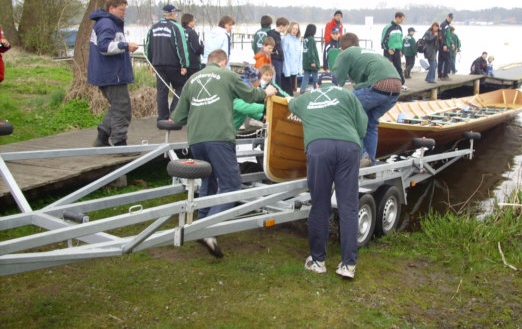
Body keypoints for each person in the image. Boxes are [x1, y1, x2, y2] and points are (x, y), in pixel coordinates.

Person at [170, 49, 277, 257]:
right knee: (232, 185)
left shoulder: (192, 79)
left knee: (209, 181)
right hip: (219, 137)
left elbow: (179, 117)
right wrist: (267, 92)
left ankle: (200, 224)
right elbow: (250, 94)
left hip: (196, 140)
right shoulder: (227, 75)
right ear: (224, 63)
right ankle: (208, 229)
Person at [288, 73, 367, 279]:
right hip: (349, 148)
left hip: (319, 148)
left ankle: (318, 262)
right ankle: (348, 265)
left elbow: (290, 105)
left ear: (316, 84)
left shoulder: (307, 97)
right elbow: (363, 127)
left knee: (320, 204)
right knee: (348, 206)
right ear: (337, 83)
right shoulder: (348, 95)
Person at [332, 33, 401, 167]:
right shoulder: (368, 52)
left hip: (378, 85)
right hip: (396, 87)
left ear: (341, 49)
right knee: (370, 123)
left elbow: (333, 82)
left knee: (349, 114)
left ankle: (363, 156)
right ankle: (371, 164)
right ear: (357, 45)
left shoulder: (345, 54)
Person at [87, 0, 138, 146]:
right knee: (122, 108)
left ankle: (102, 137)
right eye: (121, 10)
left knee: (118, 106)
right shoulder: (107, 24)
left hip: (111, 74)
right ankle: (119, 142)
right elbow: (104, 47)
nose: (124, 13)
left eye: (125, 10)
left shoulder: (111, 23)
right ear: (111, 8)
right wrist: (126, 46)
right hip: (111, 75)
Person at [145, 4, 190, 121]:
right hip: (173, 64)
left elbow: (148, 46)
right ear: (173, 14)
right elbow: (182, 47)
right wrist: (184, 65)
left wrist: (150, 63)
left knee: (162, 91)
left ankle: (162, 117)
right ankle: (174, 113)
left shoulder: (153, 28)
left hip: (158, 65)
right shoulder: (176, 27)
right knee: (181, 88)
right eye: (176, 14)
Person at [233, 66, 265, 131]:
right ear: (255, 80)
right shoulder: (244, 90)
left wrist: (261, 117)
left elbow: (247, 110)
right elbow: (245, 107)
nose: (260, 82)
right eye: (260, 80)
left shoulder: (245, 87)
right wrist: (266, 108)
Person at [381, 12, 407, 88]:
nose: (402, 21)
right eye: (401, 20)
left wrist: (401, 50)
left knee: (398, 67)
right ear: (397, 18)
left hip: (397, 50)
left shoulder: (399, 28)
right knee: (387, 68)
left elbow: (400, 40)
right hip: (389, 50)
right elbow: (383, 40)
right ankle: (385, 84)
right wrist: (388, 49)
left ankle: (401, 83)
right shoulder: (388, 27)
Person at [281, 21, 302, 96]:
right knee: (287, 91)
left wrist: (299, 69)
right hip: (287, 70)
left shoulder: (297, 41)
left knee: (292, 90)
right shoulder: (285, 39)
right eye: (293, 28)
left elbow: (299, 56)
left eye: (296, 29)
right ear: (290, 29)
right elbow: (285, 56)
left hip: (294, 70)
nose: (294, 31)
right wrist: (286, 70)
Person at [267, 17, 289, 86]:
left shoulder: (278, 34)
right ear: (281, 26)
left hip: (279, 59)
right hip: (275, 59)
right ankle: (276, 90)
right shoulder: (272, 34)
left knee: (279, 76)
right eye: (286, 27)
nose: (286, 29)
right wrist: (274, 51)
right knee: (277, 76)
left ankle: (278, 90)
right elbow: (269, 45)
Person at [181, 13, 203, 77]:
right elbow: (197, 49)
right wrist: (202, 46)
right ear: (189, 22)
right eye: (193, 21)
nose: (194, 22)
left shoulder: (180, 32)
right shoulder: (192, 33)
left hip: (183, 64)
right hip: (193, 64)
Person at [300, 23, 320, 93]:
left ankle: (302, 89)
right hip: (312, 61)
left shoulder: (305, 39)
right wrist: (312, 61)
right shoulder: (311, 39)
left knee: (305, 77)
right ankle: (316, 90)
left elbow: (306, 51)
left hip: (306, 62)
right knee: (315, 77)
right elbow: (311, 51)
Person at [437, 13, 454, 80]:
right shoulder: (443, 24)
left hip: (446, 45)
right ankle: (444, 75)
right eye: (449, 18)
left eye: (451, 18)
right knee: (446, 60)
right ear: (447, 17)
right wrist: (444, 45)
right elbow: (441, 36)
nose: (450, 19)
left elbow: (448, 37)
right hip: (443, 46)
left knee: (443, 60)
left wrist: (452, 43)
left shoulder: (448, 25)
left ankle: (442, 75)